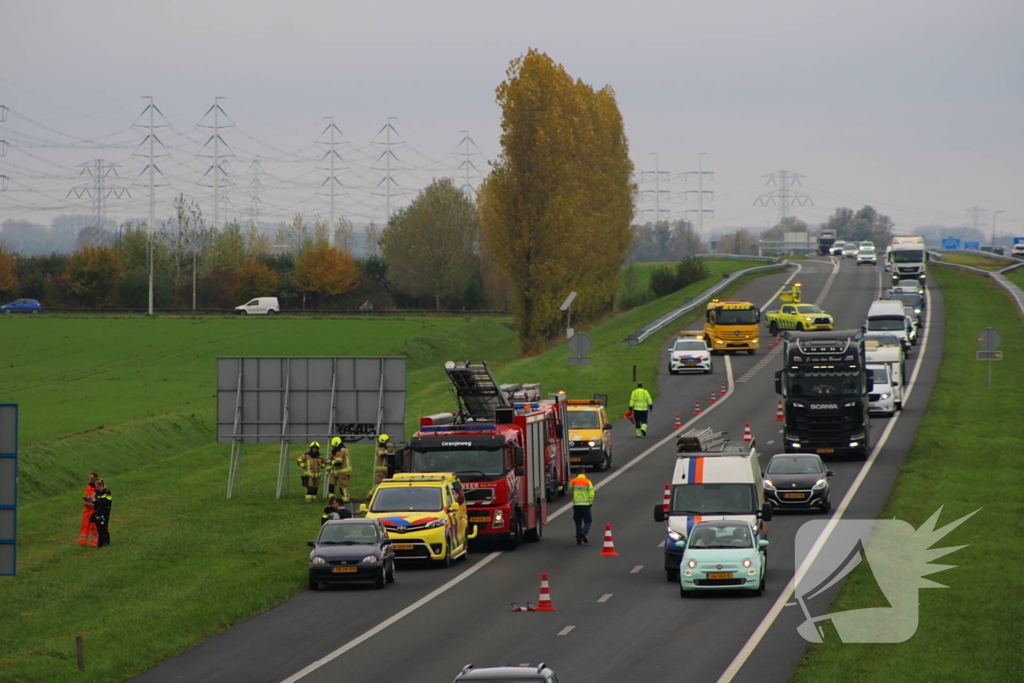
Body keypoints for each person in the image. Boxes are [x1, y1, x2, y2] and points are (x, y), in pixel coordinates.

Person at [570, 468, 594, 545]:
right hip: (585, 505)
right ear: (584, 473)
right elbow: (591, 493)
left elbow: (571, 489)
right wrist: (590, 502)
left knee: (578, 522)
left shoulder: (573, 481)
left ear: (577, 473)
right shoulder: (588, 481)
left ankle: (578, 539)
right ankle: (583, 532)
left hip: (576, 504)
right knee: (588, 521)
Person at [328, 437, 353, 502]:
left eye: (333, 446)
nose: (332, 447)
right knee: (334, 485)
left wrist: (331, 461)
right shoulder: (344, 449)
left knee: (343, 486)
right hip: (343, 471)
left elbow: (338, 462)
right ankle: (333, 498)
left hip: (342, 471)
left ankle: (345, 499)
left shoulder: (340, 451)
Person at [79, 472, 99, 546]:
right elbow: (86, 495)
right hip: (87, 509)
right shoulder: (88, 486)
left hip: (95, 509)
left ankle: (95, 542)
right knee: (85, 525)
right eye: (90, 479)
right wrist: (86, 498)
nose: (91, 480)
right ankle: (82, 542)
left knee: (94, 527)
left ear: (96, 478)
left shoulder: (99, 486)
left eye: (92, 478)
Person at [92, 479, 113, 547]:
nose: (96, 488)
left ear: (101, 485)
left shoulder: (106, 492)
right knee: (99, 528)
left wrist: (95, 501)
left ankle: (106, 543)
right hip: (99, 512)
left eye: (97, 486)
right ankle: (100, 544)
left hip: (104, 512)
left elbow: (105, 502)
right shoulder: (98, 492)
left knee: (103, 528)